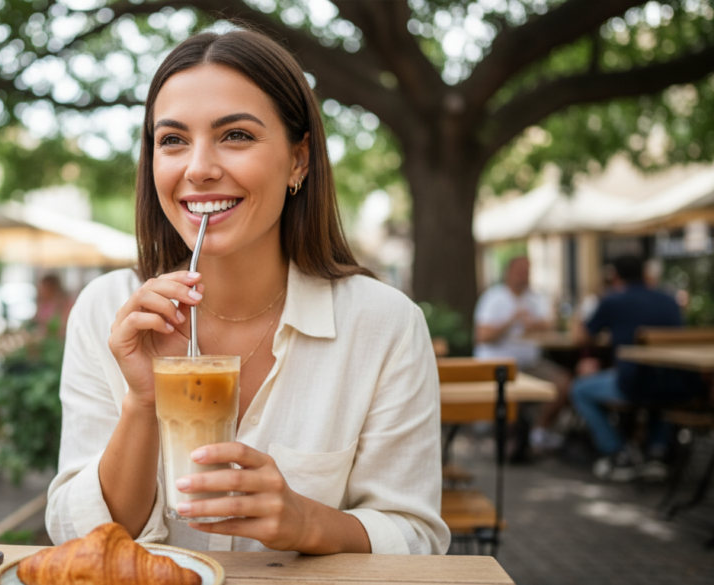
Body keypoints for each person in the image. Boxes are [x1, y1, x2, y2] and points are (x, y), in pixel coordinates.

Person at [46, 29, 448, 555]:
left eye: (235, 135)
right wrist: (143, 402)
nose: (198, 168)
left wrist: (308, 523)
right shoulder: (105, 310)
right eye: (172, 140)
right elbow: (81, 538)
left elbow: (417, 536)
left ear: (299, 160)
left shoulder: (384, 323)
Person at [572, 256, 705, 481]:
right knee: (657, 385)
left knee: (579, 389)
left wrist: (578, 313)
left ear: (614, 276)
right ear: (645, 274)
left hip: (635, 384)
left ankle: (618, 453)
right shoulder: (670, 300)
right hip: (680, 384)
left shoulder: (612, 300)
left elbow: (580, 338)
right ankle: (657, 452)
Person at [474, 257, 571, 453]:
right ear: (508, 273)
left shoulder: (534, 297)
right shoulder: (493, 297)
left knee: (564, 383)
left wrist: (534, 325)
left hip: (530, 363)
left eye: (527, 271)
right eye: (520, 271)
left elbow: (551, 324)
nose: (523, 276)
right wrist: (511, 321)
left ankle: (539, 432)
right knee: (511, 396)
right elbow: (482, 336)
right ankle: (511, 442)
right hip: (497, 365)